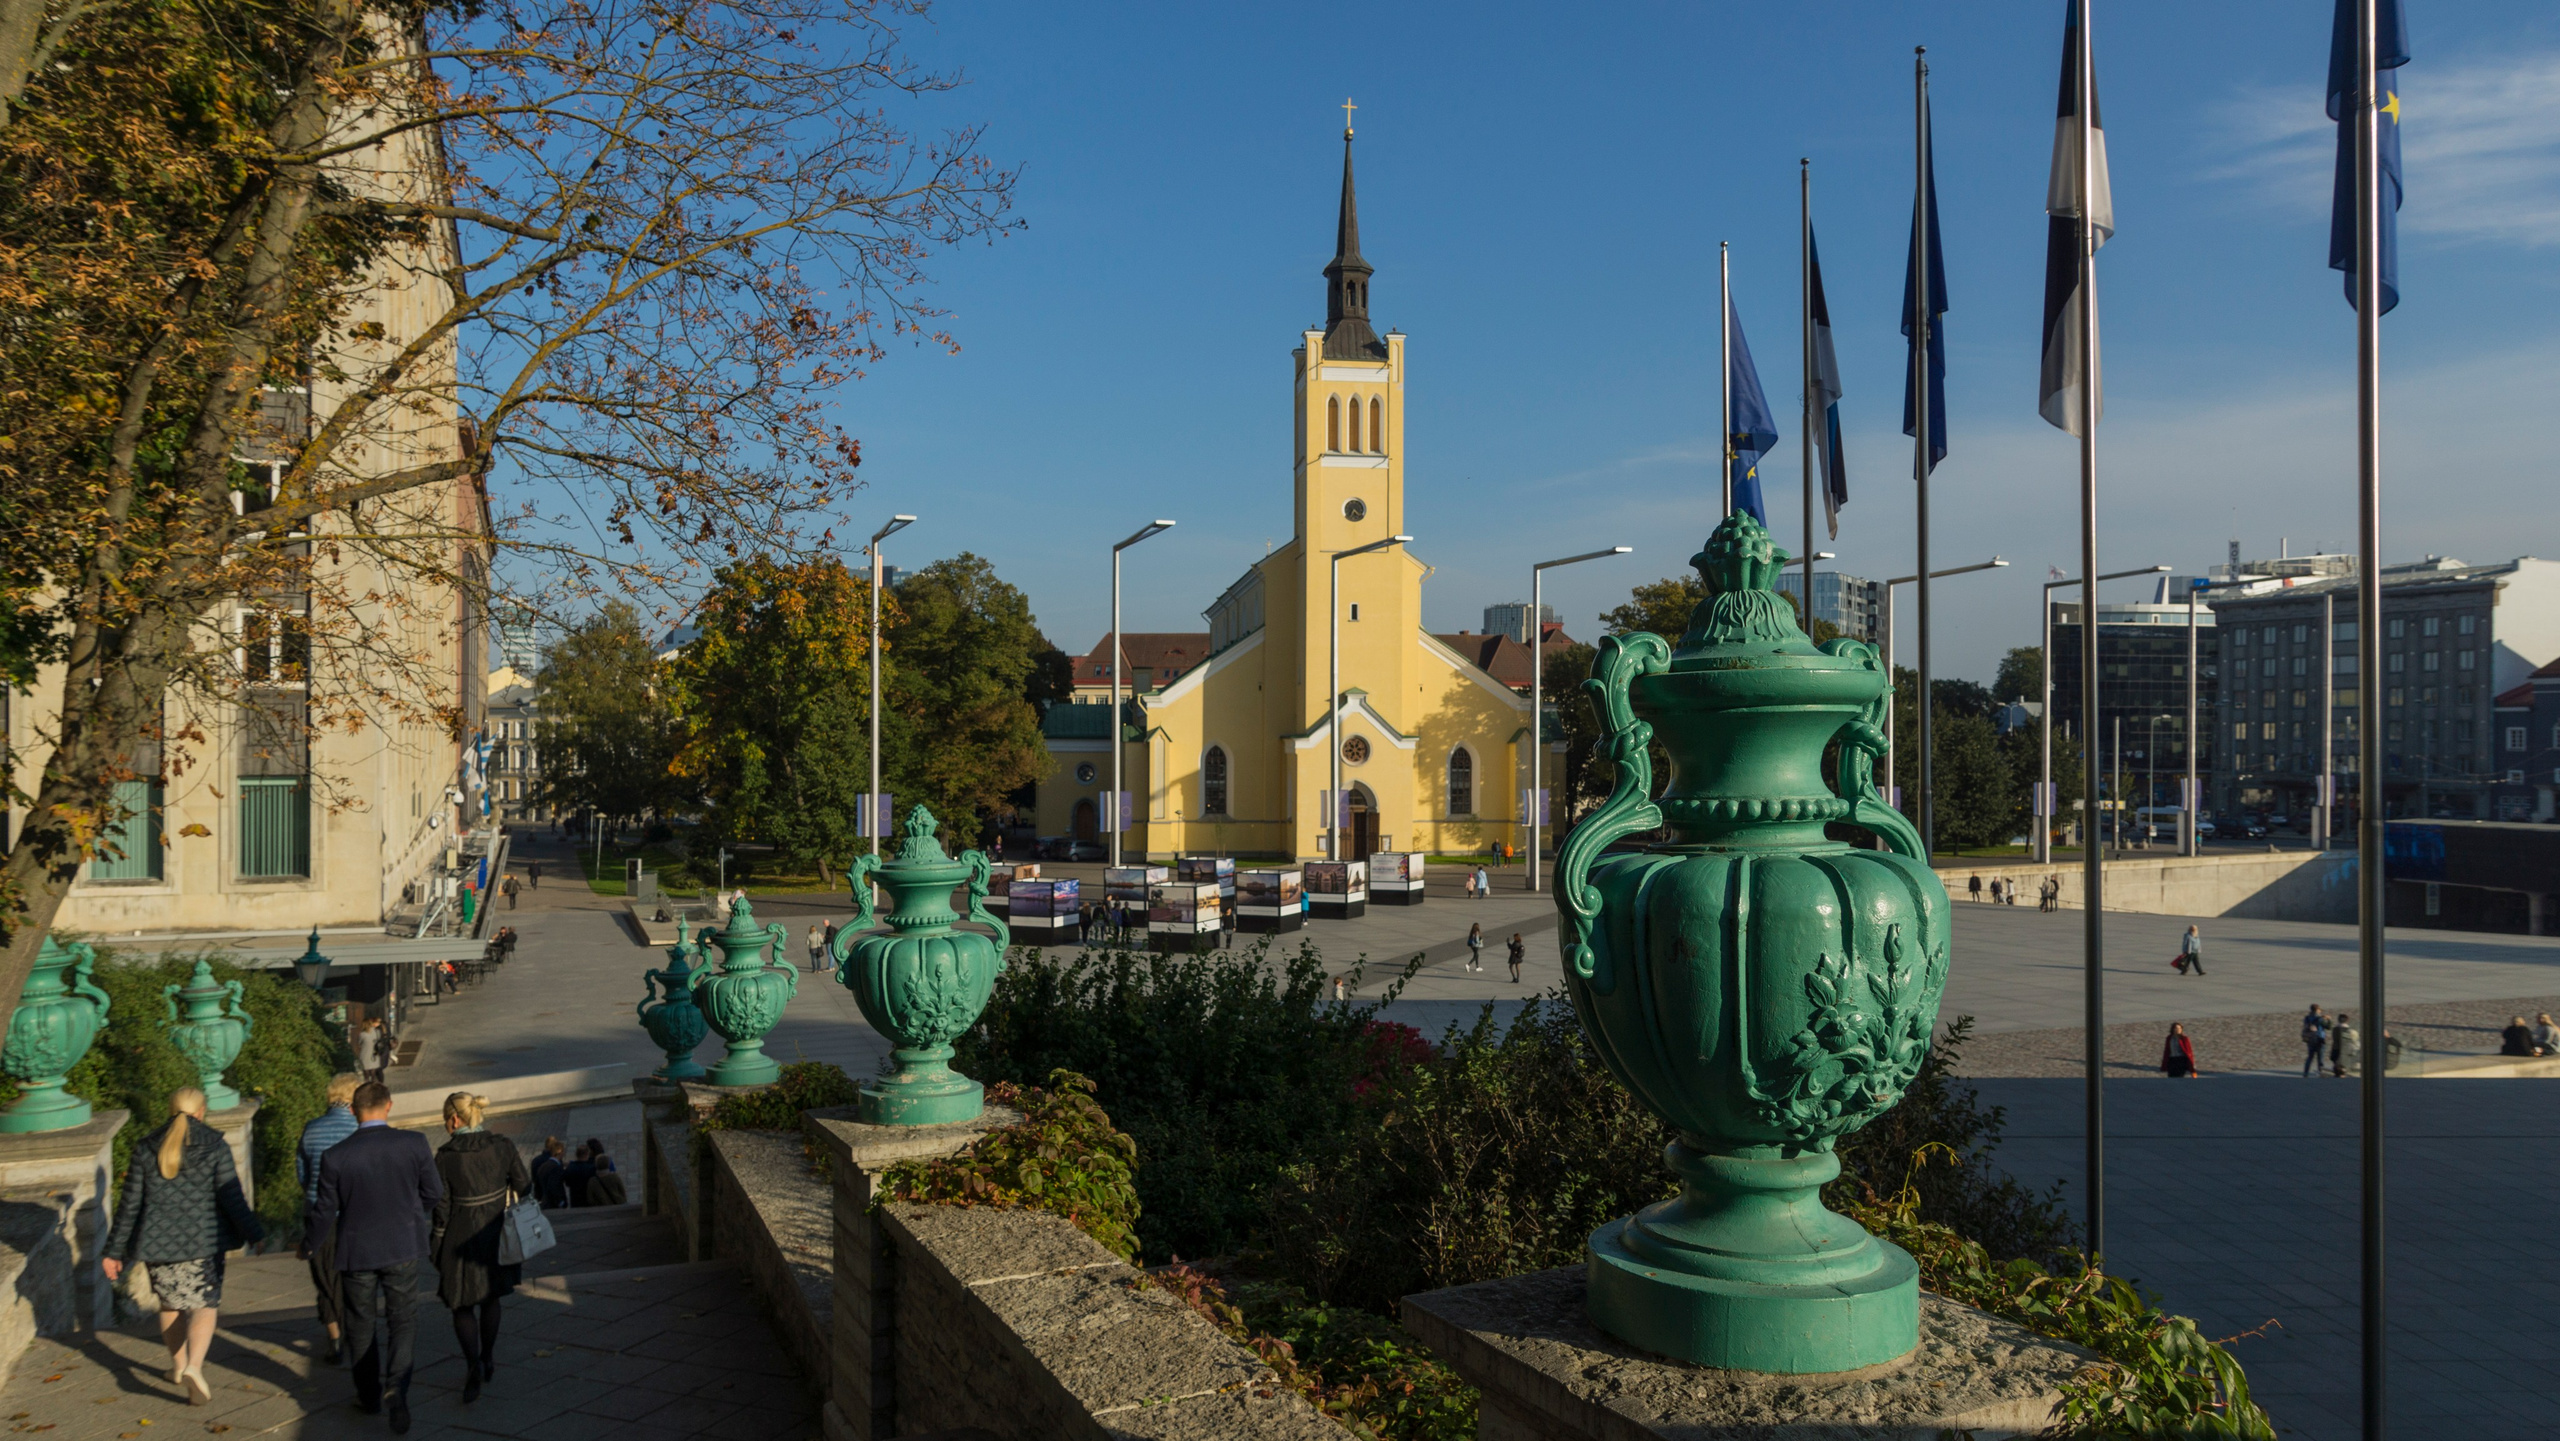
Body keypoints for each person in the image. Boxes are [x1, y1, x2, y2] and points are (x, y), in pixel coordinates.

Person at [103, 1087, 263, 1406]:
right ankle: (194, 1367)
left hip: (158, 1245)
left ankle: (177, 1367)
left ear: (169, 1108)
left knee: (170, 1304)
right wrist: (254, 1233)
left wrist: (113, 1251)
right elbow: (232, 1198)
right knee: (204, 1304)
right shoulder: (214, 1145)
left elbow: (129, 1206)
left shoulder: (146, 1146)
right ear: (202, 1111)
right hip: (203, 1242)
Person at [310, 1080, 441, 1433]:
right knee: (403, 1320)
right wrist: (411, 1214)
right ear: (389, 1106)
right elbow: (434, 1192)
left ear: (353, 1111)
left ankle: (368, 1396)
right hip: (402, 1244)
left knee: (361, 1322)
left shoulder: (335, 1156)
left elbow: (324, 1211)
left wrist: (311, 1244)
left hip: (357, 1250)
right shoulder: (413, 1143)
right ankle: (397, 1386)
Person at [430, 1092, 530, 1403]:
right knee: (491, 1298)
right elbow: (524, 1185)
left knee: (462, 1306)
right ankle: (488, 1357)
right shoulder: (502, 1145)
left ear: (454, 1120)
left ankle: (472, 1365)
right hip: (496, 1231)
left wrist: (436, 1241)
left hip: (460, 1236)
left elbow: (441, 1207)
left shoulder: (445, 1157)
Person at [296, 1072, 363, 1365]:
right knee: (354, 1276)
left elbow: (302, 1173)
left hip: (317, 1214)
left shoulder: (312, 1129)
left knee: (325, 1278)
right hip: (354, 1214)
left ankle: (334, 1337)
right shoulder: (361, 1130)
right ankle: (356, 1332)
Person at [530, 1137, 571, 1210]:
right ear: (559, 1151)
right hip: (552, 1204)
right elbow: (554, 1186)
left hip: (542, 1199)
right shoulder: (555, 1168)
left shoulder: (543, 1165)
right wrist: (560, 1202)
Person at [584, 1139, 627, 1206]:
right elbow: (622, 1192)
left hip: (601, 1207)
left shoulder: (592, 1181)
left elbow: (590, 1199)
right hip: (616, 1204)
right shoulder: (615, 1177)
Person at [351, 1018, 385, 1086]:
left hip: (365, 1054)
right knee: (373, 1073)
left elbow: (360, 1043)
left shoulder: (362, 1034)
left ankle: (367, 1086)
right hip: (374, 1054)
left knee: (366, 1074)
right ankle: (373, 1086)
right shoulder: (377, 1032)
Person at [2300, 1005, 2331, 1078]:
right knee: (2320, 1058)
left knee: (2310, 1057)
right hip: (2319, 1039)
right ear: (2317, 1010)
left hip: (2310, 1039)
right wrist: (2329, 1020)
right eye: (2320, 1010)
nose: (2320, 1011)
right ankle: (2320, 1072)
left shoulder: (2307, 1018)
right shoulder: (2320, 1019)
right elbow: (2328, 1027)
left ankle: (2305, 1073)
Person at [563, 1143, 597, 1207]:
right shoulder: (591, 1168)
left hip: (575, 1198)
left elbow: (567, 1182)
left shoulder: (571, 1167)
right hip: (588, 1198)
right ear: (587, 1154)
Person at [2331, 1012, 2363, 1078]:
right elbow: (2354, 1041)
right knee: (2344, 1065)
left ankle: (2338, 1074)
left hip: (2336, 1049)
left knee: (2337, 1064)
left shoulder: (2335, 1029)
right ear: (2347, 1020)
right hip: (2346, 1050)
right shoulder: (2350, 1030)